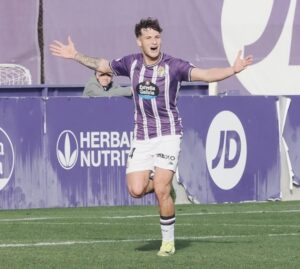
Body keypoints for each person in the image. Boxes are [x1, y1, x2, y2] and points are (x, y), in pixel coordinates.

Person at [50, 17, 253, 257]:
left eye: (157, 37)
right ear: (140, 42)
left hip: (168, 134)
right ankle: (166, 187)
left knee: (160, 189)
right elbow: (102, 65)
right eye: (148, 37)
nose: (154, 41)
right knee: (135, 190)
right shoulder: (130, 63)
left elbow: (206, 74)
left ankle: (168, 242)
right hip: (142, 137)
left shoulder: (173, 66)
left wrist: (233, 69)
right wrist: (75, 55)